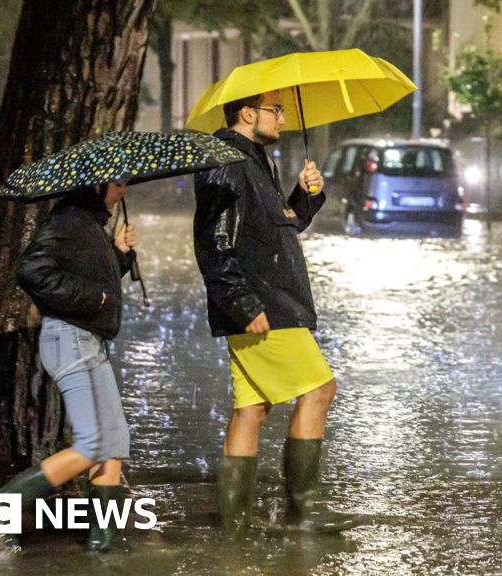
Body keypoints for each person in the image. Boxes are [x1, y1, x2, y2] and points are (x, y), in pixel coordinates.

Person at [193, 90, 363, 533]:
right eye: (276, 110)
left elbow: (276, 229)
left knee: (251, 409)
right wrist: (241, 302)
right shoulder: (228, 161)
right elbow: (215, 240)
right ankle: (302, 512)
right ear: (248, 113)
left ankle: (234, 524)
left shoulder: (251, 161)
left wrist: (306, 197)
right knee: (321, 390)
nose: (283, 119)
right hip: (263, 303)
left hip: (263, 299)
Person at [0, 182, 137, 555]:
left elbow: (89, 273)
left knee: (113, 442)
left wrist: (119, 255)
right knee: (95, 443)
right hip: (72, 341)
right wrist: (91, 296)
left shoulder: (88, 224)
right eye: (117, 183)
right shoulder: (68, 220)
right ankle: (1, 507)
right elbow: (31, 270)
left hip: (88, 341)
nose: (122, 191)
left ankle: (101, 550)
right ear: (96, 186)